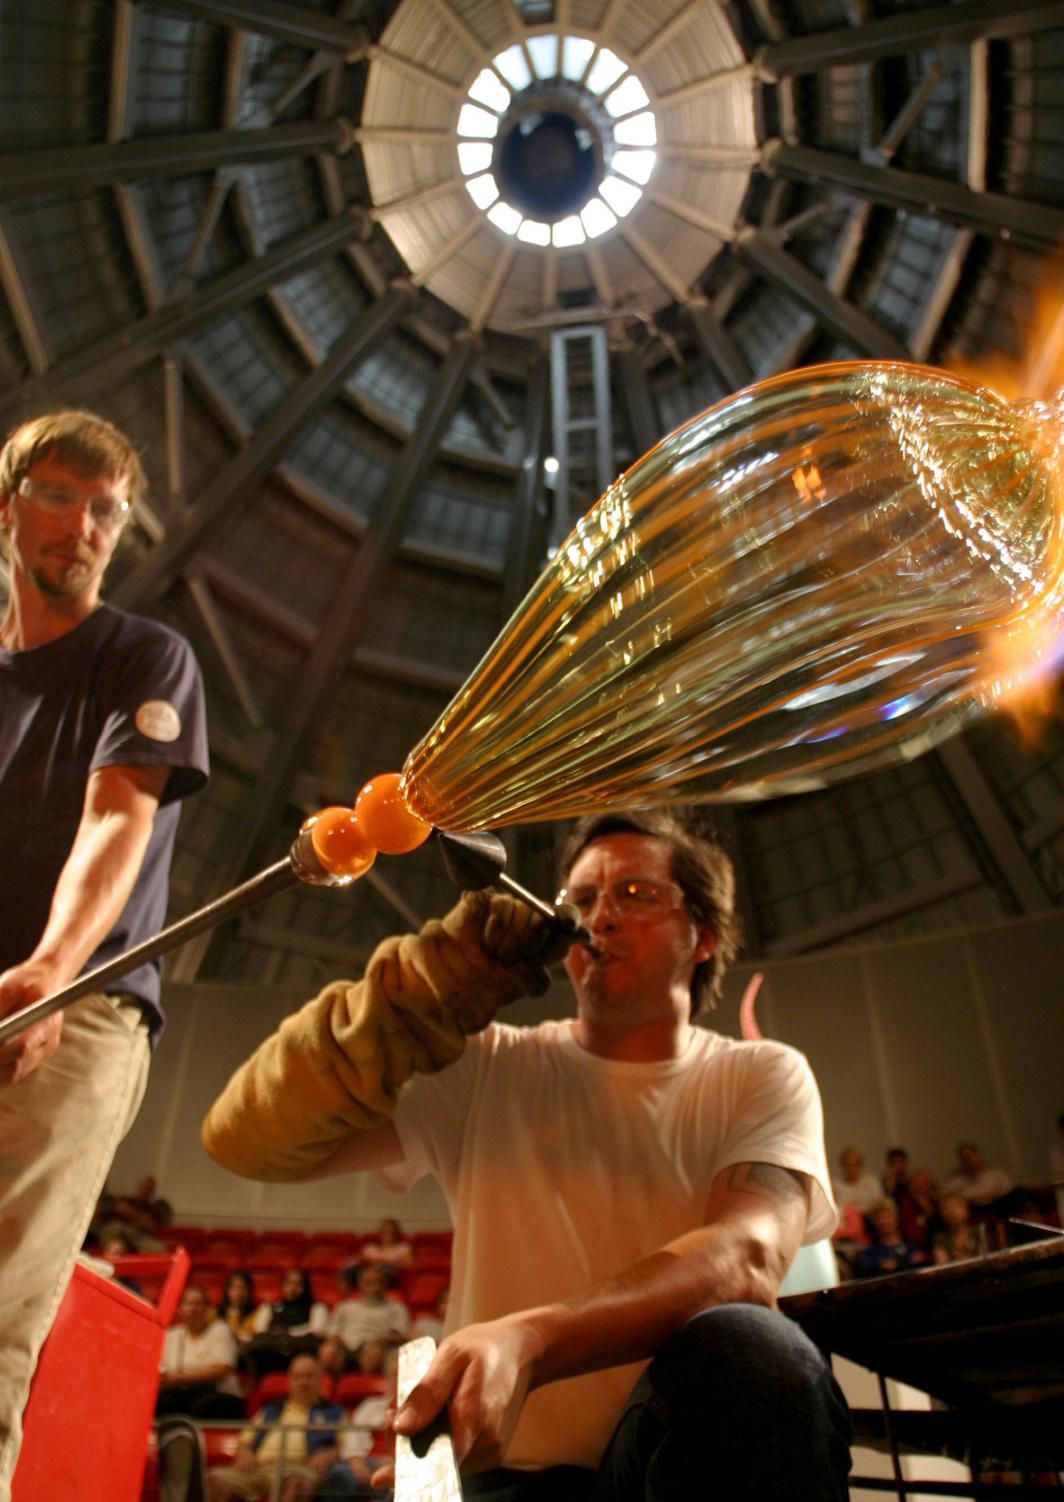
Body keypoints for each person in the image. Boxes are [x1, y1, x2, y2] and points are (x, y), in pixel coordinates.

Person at [203, 805, 852, 1500]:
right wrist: (424, 983)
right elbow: (249, 1142)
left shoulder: (760, 1073)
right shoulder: (485, 1067)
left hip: (673, 1462)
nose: (600, 916)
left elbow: (747, 1258)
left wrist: (533, 1340)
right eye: (581, 898)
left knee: (764, 1359)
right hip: (503, 1476)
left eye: (637, 895)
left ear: (702, 937)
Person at [0, 409, 209, 1498]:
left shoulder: (145, 654)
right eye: (58, 492)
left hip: (72, 1007)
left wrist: (51, 969)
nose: (83, 523)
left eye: (107, 508)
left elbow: (118, 819)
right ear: (6, 505)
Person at [207, 1352, 343, 1502]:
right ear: (289, 1381)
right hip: (257, 1469)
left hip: (298, 1470)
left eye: (309, 1376)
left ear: (320, 1380)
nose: (303, 1382)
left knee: (298, 1485)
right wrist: (244, 1453)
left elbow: (346, 1447)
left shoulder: (333, 1412)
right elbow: (243, 1442)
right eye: (298, 1377)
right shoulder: (270, 1409)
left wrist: (329, 1455)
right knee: (215, 1479)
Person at [157, 1285, 246, 1420]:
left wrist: (180, 1379)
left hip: (218, 1393)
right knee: (159, 1401)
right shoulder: (172, 1335)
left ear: (208, 1309)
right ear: (180, 1309)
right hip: (182, 1393)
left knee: (202, 1406)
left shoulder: (220, 1330)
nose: (193, 1308)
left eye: (199, 1304)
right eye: (188, 1304)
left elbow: (222, 1369)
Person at [318, 1264, 410, 1379]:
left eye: (378, 1283)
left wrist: (385, 1340)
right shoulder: (345, 1306)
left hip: (375, 1348)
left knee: (373, 1357)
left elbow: (401, 1334)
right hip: (345, 1346)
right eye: (369, 1283)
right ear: (361, 1285)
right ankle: (334, 1391)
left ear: (385, 1285)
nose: (374, 1288)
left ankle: (367, 1389)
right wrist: (338, 1341)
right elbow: (332, 1334)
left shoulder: (396, 1308)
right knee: (327, 1353)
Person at [245, 1267, 329, 1378]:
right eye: (289, 1283)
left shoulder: (317, 1307)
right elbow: (259, 1330)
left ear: (305, 1286)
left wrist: (289, 1333)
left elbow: (318, 1330)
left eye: (297, 1283)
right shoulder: (269, 1307)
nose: (292, 1287)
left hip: (303, 1352)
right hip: (271, 1354)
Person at [216, 1270, 261, 1351]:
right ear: (227, 1290)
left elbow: (256, 1342)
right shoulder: (217, 1313)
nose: (238, 1293)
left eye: (243, 1288)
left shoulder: (259, 1312)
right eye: (235, 1288)